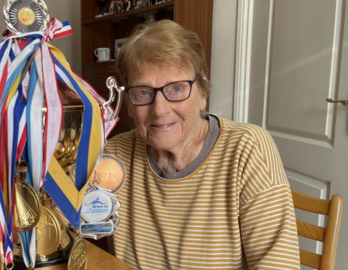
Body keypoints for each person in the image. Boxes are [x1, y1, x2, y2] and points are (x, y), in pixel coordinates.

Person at [105, 20, 300, 269]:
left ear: (203, 94)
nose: (160, 109)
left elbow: (279, 265)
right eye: (143, 92)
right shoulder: (113, 155)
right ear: (129, 104)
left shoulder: (248, 150)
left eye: (176, 88)